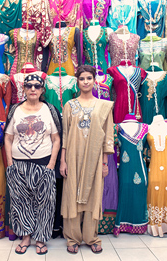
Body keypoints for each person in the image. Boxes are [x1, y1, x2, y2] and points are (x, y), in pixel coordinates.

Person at [4, 74, 61, 255]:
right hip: (18, 164)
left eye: (37, 86)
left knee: (45, 202)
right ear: (24, 89)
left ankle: (41, 238)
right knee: (21, 202)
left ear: (42, 89)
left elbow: (56, 139)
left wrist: (51, 164)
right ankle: (26, 236)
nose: (33, 89)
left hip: (44, 163)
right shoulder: (15, 110)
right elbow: (8, 137)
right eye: (29, 86)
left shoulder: (49, 109)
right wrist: (10, 164)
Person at [60, 65, 114, 254]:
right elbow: (65, 134)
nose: (85, 82)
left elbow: (108, 135)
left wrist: (105, 162)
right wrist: (63, 161)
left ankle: (91, 237)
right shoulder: (70, 105)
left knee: (93, 195)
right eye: (82, 78)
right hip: (73, 156)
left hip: (95, 157)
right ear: (77, 81)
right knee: (72, 195)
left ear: (94, 80)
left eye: (89, 78)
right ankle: (72, 237)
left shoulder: (103, 106)